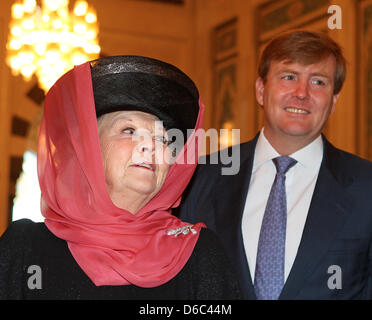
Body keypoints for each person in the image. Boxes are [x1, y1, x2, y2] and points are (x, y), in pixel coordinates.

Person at [0, 56, 241, 299]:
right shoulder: (25, 249)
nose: (150, 146)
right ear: (88, 149)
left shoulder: (199, 255)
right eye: (129, 131)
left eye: (162, 138)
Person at [179, 30, 372, 299]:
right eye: (289, 77)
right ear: (261, 90)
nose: (302, 93)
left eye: (318, 82)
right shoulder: (198, 177)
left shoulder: (366, 187)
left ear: (334, 102)